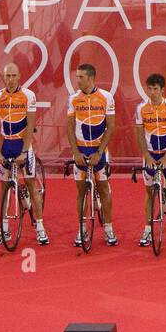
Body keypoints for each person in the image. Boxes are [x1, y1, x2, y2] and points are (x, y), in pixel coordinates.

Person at [0, 62, 48, 246]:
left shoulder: (28, 96)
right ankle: (3, 228)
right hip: (6, 146)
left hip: (23, 146)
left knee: (30, 184)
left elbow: (30, 126)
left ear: (19, 76)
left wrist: (24, 151)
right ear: (3, 77)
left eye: (14, 76)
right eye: (7, 76)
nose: (10, 79)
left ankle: (40, 228)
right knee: (4, 189)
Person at [66, 63, 117, 247]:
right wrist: (75, 152)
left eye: (80, 77)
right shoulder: (73, 99)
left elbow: (111, 127)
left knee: (103, 188)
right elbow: (70, 128)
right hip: (80, 151)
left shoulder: (106, 97)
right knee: (81, 191)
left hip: (99, 151)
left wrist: (99, 151)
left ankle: (109, 228)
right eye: (77, 76)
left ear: (90, 78)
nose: (77, 80)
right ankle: (81, 228)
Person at [135, 73, 166, 248]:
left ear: (162, 90)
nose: (152, 92)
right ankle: (147, 229)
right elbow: (140, 135)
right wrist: (147, 156)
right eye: (149, 89)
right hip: (150, 155)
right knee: (149, 193)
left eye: (155, 89)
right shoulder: (141, 108)